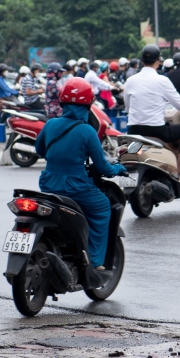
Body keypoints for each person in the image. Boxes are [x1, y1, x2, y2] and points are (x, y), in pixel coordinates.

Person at [34, 78, 127, 270]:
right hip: (76, 186)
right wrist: (119, 168)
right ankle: (94, 262)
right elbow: (103, 168)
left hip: (48, 183)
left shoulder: (50, 124)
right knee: (102, 207)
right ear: (89, 103)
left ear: (63, 101)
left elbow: (40, 150)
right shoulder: (87, 131)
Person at [123, 45, 180, 176]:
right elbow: (179, 103)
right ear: (159, 61)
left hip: (133, 130)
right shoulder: (162, 80)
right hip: (156, 131)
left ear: (142, 62)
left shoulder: (130, 81)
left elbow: (128, 107)